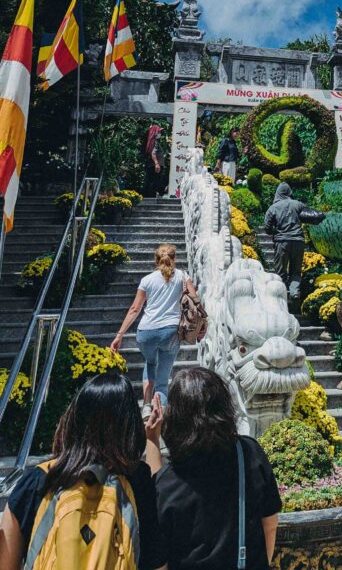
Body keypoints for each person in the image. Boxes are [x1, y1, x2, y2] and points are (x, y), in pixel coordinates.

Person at [0, 373, 167, 570]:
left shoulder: (36, 481)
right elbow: (156, 564)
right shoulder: (137, 480)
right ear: (130, 426)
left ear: (73, 418)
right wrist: (153, 440)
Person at [155, 367, 280, 570]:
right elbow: (270, 525)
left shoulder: (168, 483)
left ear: (176, 416)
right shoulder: (248, 453)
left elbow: (160, 562)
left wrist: (152, 439)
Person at [110, 244, 203, 413]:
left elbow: (134, 309)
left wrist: (119, 335)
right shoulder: (183, 276)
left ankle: (146, 406)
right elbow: (195, 301)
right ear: (174, 259)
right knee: (163, 378)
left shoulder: (146, 280)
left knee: (151, 362)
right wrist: (202, 325)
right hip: (170, 331)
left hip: (145, 332)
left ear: (156, 260)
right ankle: (159, 413)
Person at [263, 183, 325, 300]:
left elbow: (267, 227)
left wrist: (275, 231)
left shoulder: (273, 208)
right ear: (289, 193)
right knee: (296, 271)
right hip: (298, 241)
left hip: (282, 242)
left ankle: (280, 296)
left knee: (280, 271)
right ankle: (294, 292)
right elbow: (311, 214)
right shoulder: (297, 204)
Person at [143, 124, 167, 198]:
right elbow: (153, 153)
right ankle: (152, 199)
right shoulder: (155, 142)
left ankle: (149, 198)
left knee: (150, 182)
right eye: (159, 132)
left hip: (151, 166)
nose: (160, 134)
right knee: (155, 183)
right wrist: (157, 164)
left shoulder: (150, 142)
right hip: (156, 166)